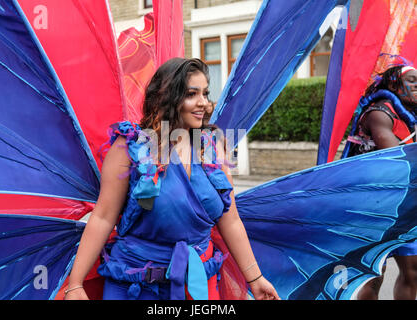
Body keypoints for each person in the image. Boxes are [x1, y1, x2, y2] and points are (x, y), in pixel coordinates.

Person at [64, 58, 280, 300]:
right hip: (134, 285)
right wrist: (75, 283)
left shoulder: (212, 148)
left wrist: (256, 278)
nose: (204, 103)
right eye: (191, 94)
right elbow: (103, 217)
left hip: (196, 285)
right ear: (167, 97)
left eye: (205, 94)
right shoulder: (130, 147)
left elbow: (230, 221)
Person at [347, 65, 416, 300]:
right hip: (372, 207)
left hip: (402, 205)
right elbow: (398, 158)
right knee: (375, 273)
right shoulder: (379, 113)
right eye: (412, 81)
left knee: (412, 272)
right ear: (394, 85)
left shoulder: (411, 114)